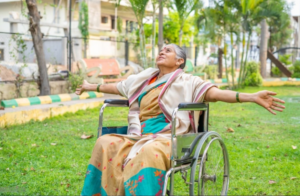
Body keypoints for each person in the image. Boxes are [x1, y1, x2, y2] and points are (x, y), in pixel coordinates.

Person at [76, 44, 285, 196]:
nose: (162, 51)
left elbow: (216, 94)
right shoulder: (143, 78)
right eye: (161, 49)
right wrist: (90, 86)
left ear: (179, 61)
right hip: (138, 134)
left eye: (168, 50)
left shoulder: (188, 81)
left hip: (170, 136)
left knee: (149, 151)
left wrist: (251, 97)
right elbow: (116, 87)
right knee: (104, 142)